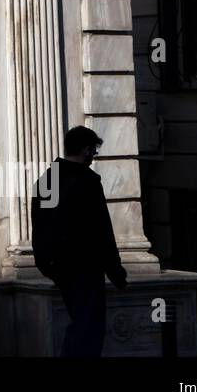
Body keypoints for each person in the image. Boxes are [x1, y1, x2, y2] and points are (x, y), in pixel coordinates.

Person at [32, 126, 128, 357]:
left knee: (80, 324)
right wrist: (116, 272)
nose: (94, 156)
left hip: (59, 266)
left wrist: (46, 264)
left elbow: (41, 225)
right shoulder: (87, 181)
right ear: (86, 150)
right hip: (86, 266)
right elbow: (101, 230)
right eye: (94, 151)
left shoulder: (48, 179)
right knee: (89, 330)